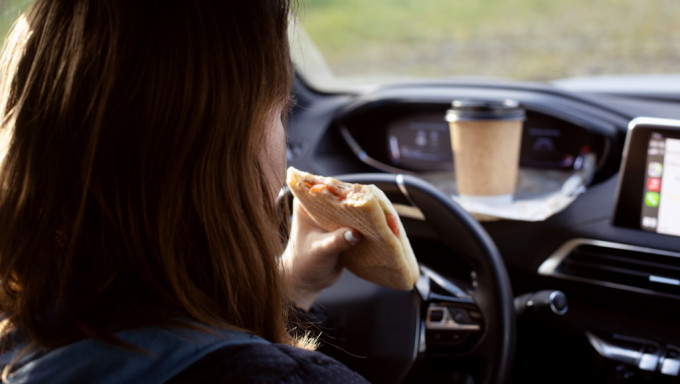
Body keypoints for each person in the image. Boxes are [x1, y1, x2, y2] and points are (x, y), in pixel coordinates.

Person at [0, 0, 369, 382]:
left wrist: (290, 287)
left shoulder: (19, 340)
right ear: (216, 163)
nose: (286, 143)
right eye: (280, 110)